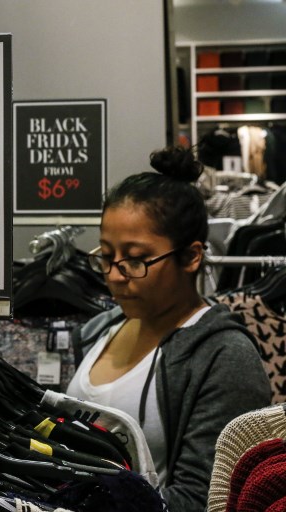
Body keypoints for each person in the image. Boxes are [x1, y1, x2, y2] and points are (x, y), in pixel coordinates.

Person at [66, 146, 270, 511]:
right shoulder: (97, 331)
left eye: (136, 260)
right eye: (107, 256)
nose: (115, 275)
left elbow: (205, 500)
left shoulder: (224, 358)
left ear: (191, 257)